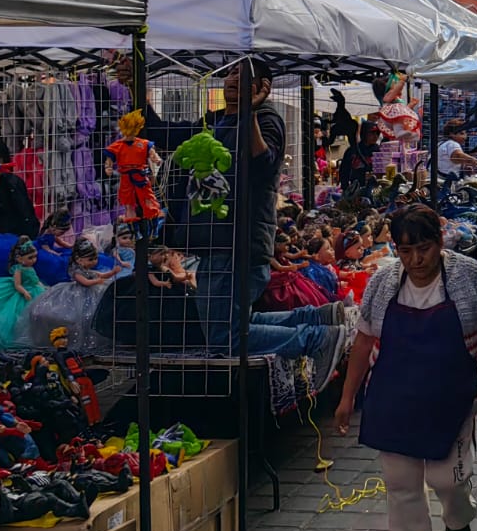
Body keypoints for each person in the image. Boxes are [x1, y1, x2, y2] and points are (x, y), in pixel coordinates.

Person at [335, 205, 477, 531]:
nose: (415, 260)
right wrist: (347, 398)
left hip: (453, 398)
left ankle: (458, 517)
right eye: (406, 250)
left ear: (439, 243)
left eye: (424, 249)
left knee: (447, 479)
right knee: (401, 485)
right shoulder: (383, 283)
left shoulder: (466, 277)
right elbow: (363, 341)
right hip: (395, 398)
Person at [138, 58, 347, 382]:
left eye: (244, 75)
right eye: (232, 72)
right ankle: (315, 319)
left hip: (238, 242)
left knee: (226, 340)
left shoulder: (266, 119)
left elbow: (263, 165)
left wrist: (250, 112)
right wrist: (136, 89)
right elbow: (163, 133)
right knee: (234, 328)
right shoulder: (216, 120)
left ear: (262, 88)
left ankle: (316, 338)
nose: (234, 78)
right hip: (213, 241)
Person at [340, 121, 382, 197]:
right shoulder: (352, 151)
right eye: (372, 133)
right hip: (356, 190)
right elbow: (344, 170)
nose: (375, 136)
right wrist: (345, 188)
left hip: (375, 189)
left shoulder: (379, 150)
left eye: (377, 133)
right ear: (364, 134)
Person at [435, 119, 477, 183]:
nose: (464, 137)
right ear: (451, 134)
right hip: (445, 180)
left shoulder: (441, 143)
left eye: (465, 133)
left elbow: (449, 162)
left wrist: (465, 168)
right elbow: (456, 156)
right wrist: (472, 160)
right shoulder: (452, 144)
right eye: (461, 133)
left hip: (440, 177)